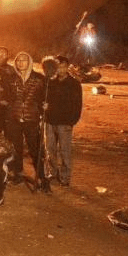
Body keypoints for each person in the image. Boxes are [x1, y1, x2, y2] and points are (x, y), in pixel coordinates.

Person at [1, 51, 49, 193]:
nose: (21, 63)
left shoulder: (39, 78)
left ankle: (42, 178)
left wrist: (45, 105)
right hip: (13, 118)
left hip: (31, 118)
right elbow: (4, 95)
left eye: (24, 60)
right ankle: (17, 174)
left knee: (35, 149)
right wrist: (3, 101)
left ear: (29, 62)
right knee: (15, 148)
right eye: (18, 60)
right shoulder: (10, 78)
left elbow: (44, 97)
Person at [43, 56, 83, 187]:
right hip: (50, 121)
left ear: (67, 67)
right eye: (58, 66)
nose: (60, 69)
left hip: (65, 122)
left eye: (63, 66)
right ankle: (53, 173)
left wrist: (72, 120)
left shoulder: (74, 84)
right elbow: (44, 99)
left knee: (65, 151)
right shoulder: (50, 82)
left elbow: (78, 104)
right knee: (50, 149)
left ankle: (65, 177)